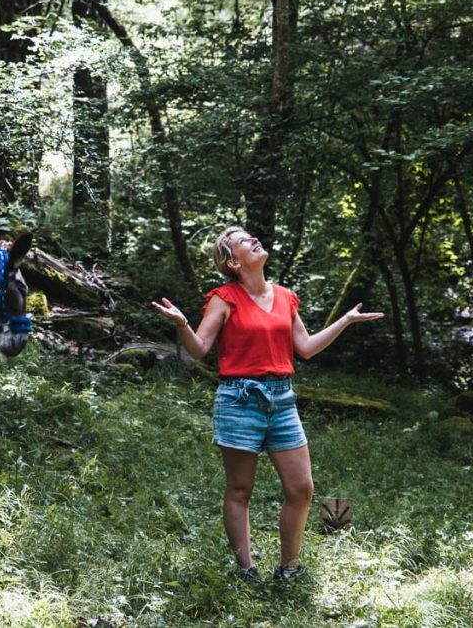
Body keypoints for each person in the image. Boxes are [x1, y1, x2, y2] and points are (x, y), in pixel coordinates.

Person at [151, 227, 383, 582]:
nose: (253, 240)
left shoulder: (286, 297)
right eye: (243, 241)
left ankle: (289, 568)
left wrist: (346, 320)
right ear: (232, 261)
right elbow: (199, 348)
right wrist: (183, 324)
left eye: (251, 237)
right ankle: (246, 570)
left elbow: (305, 347)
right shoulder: (224, 298)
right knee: (240, 489)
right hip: (239, 399)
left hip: (283, 400)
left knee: (301, 487)